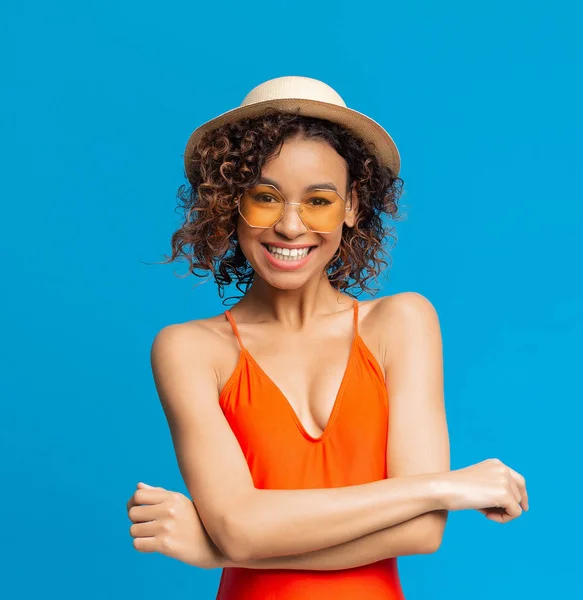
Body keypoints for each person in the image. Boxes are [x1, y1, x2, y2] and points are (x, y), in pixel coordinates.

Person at [126, 76, 529, 600]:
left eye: (318, 200)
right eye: (265, 198)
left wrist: (220, 550)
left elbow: (421, 531)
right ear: (231, 204)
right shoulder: (189, 350)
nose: (291, 227)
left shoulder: (402, 322)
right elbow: (240, 527)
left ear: (352, 206)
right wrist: (441, 486)